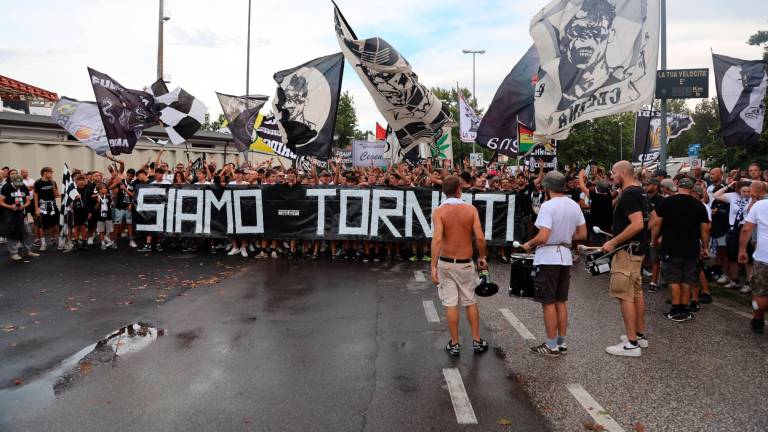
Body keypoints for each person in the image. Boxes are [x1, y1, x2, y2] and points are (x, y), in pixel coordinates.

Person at [521, 171, 587, 356]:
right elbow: (582, 234)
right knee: (561, 301)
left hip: (548, 257)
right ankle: (562, 342)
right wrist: (565, 235)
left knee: (548, 302)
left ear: (547, 188)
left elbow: (542, 236)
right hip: (565, 256)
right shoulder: (574, 205)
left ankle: (551, 345)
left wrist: (529, 244)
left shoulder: (548, 206)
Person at [430, 175, 489, 356]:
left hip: (446, 263)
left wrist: (433, 265)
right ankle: (477, 341)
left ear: (444, 192)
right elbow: (479, 237)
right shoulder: (470, 210)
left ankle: (455, 344)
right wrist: (482, 256)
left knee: (450, 304)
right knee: (470, 301)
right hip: (465, 263)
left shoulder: (438, 211)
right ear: (459, 190)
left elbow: (438, 238)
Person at [602, 161, 647, 357]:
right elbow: (651, 219)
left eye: (613, 173)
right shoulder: (641, 191)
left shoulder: (629, 193)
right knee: (636, 292)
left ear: (622, 173)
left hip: (626, 251)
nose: (612, 177)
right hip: (637, 249)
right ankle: (639, 335)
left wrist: (613, 242)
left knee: (624, 293)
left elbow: (637, 224)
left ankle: (632, 343)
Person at [652, 177, 710, 322]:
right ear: (691, 189)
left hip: (671, 246)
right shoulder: (699, 205)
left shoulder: (667, 202)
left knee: (673, 278)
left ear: (677, 186)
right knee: (687, 279)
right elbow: (705, 230)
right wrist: (705, 247)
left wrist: (654, 239)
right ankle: (684, 309)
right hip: (691, 247)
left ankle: (675, 309)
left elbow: (657, 224)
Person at [739, 181, 768, 334]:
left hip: (764, 256)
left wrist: (742, 250)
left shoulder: (759, 205)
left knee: (760, 291)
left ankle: (758, 319)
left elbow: (747, 229)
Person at [0, 174, 39, 261]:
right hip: (9, 213)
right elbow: (1, 202)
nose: (18, 186)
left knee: (27, 231)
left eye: (20, 184)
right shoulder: (6, 187)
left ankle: (27, 251)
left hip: (20, 212)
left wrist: (23, 206)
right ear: (12, 181)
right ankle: (14, 253)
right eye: (16, 185)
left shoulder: (23, 187)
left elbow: (28, 201)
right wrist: (10, 206)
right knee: (11, 232)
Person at [33, 167, 59, 251]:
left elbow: (56, 194)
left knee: (54, 223)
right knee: (41, 224)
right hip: (42, 205)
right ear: (45, 173)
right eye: (50, 172)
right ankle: (43, 243)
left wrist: (52, 184)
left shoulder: (53, 182)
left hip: (52, 205)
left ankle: (53, 238)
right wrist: (37, 208)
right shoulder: (38, 182)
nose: (51, 174)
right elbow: (35, 196)